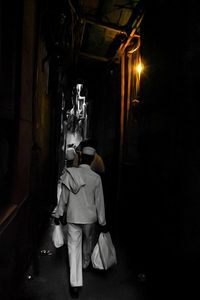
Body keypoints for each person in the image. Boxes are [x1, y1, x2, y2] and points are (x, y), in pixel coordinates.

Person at [54, 146, 107, 298]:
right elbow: (100, 202)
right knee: (88, 242)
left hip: (73, 216)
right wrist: (103, 222)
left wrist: (59, 213)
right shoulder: (96, 178)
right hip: (90, 219)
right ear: (92, 160)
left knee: (73, 248)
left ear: (81, 157)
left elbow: (63, 198)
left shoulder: (71, 174)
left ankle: (75, 283)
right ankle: (85, 263)